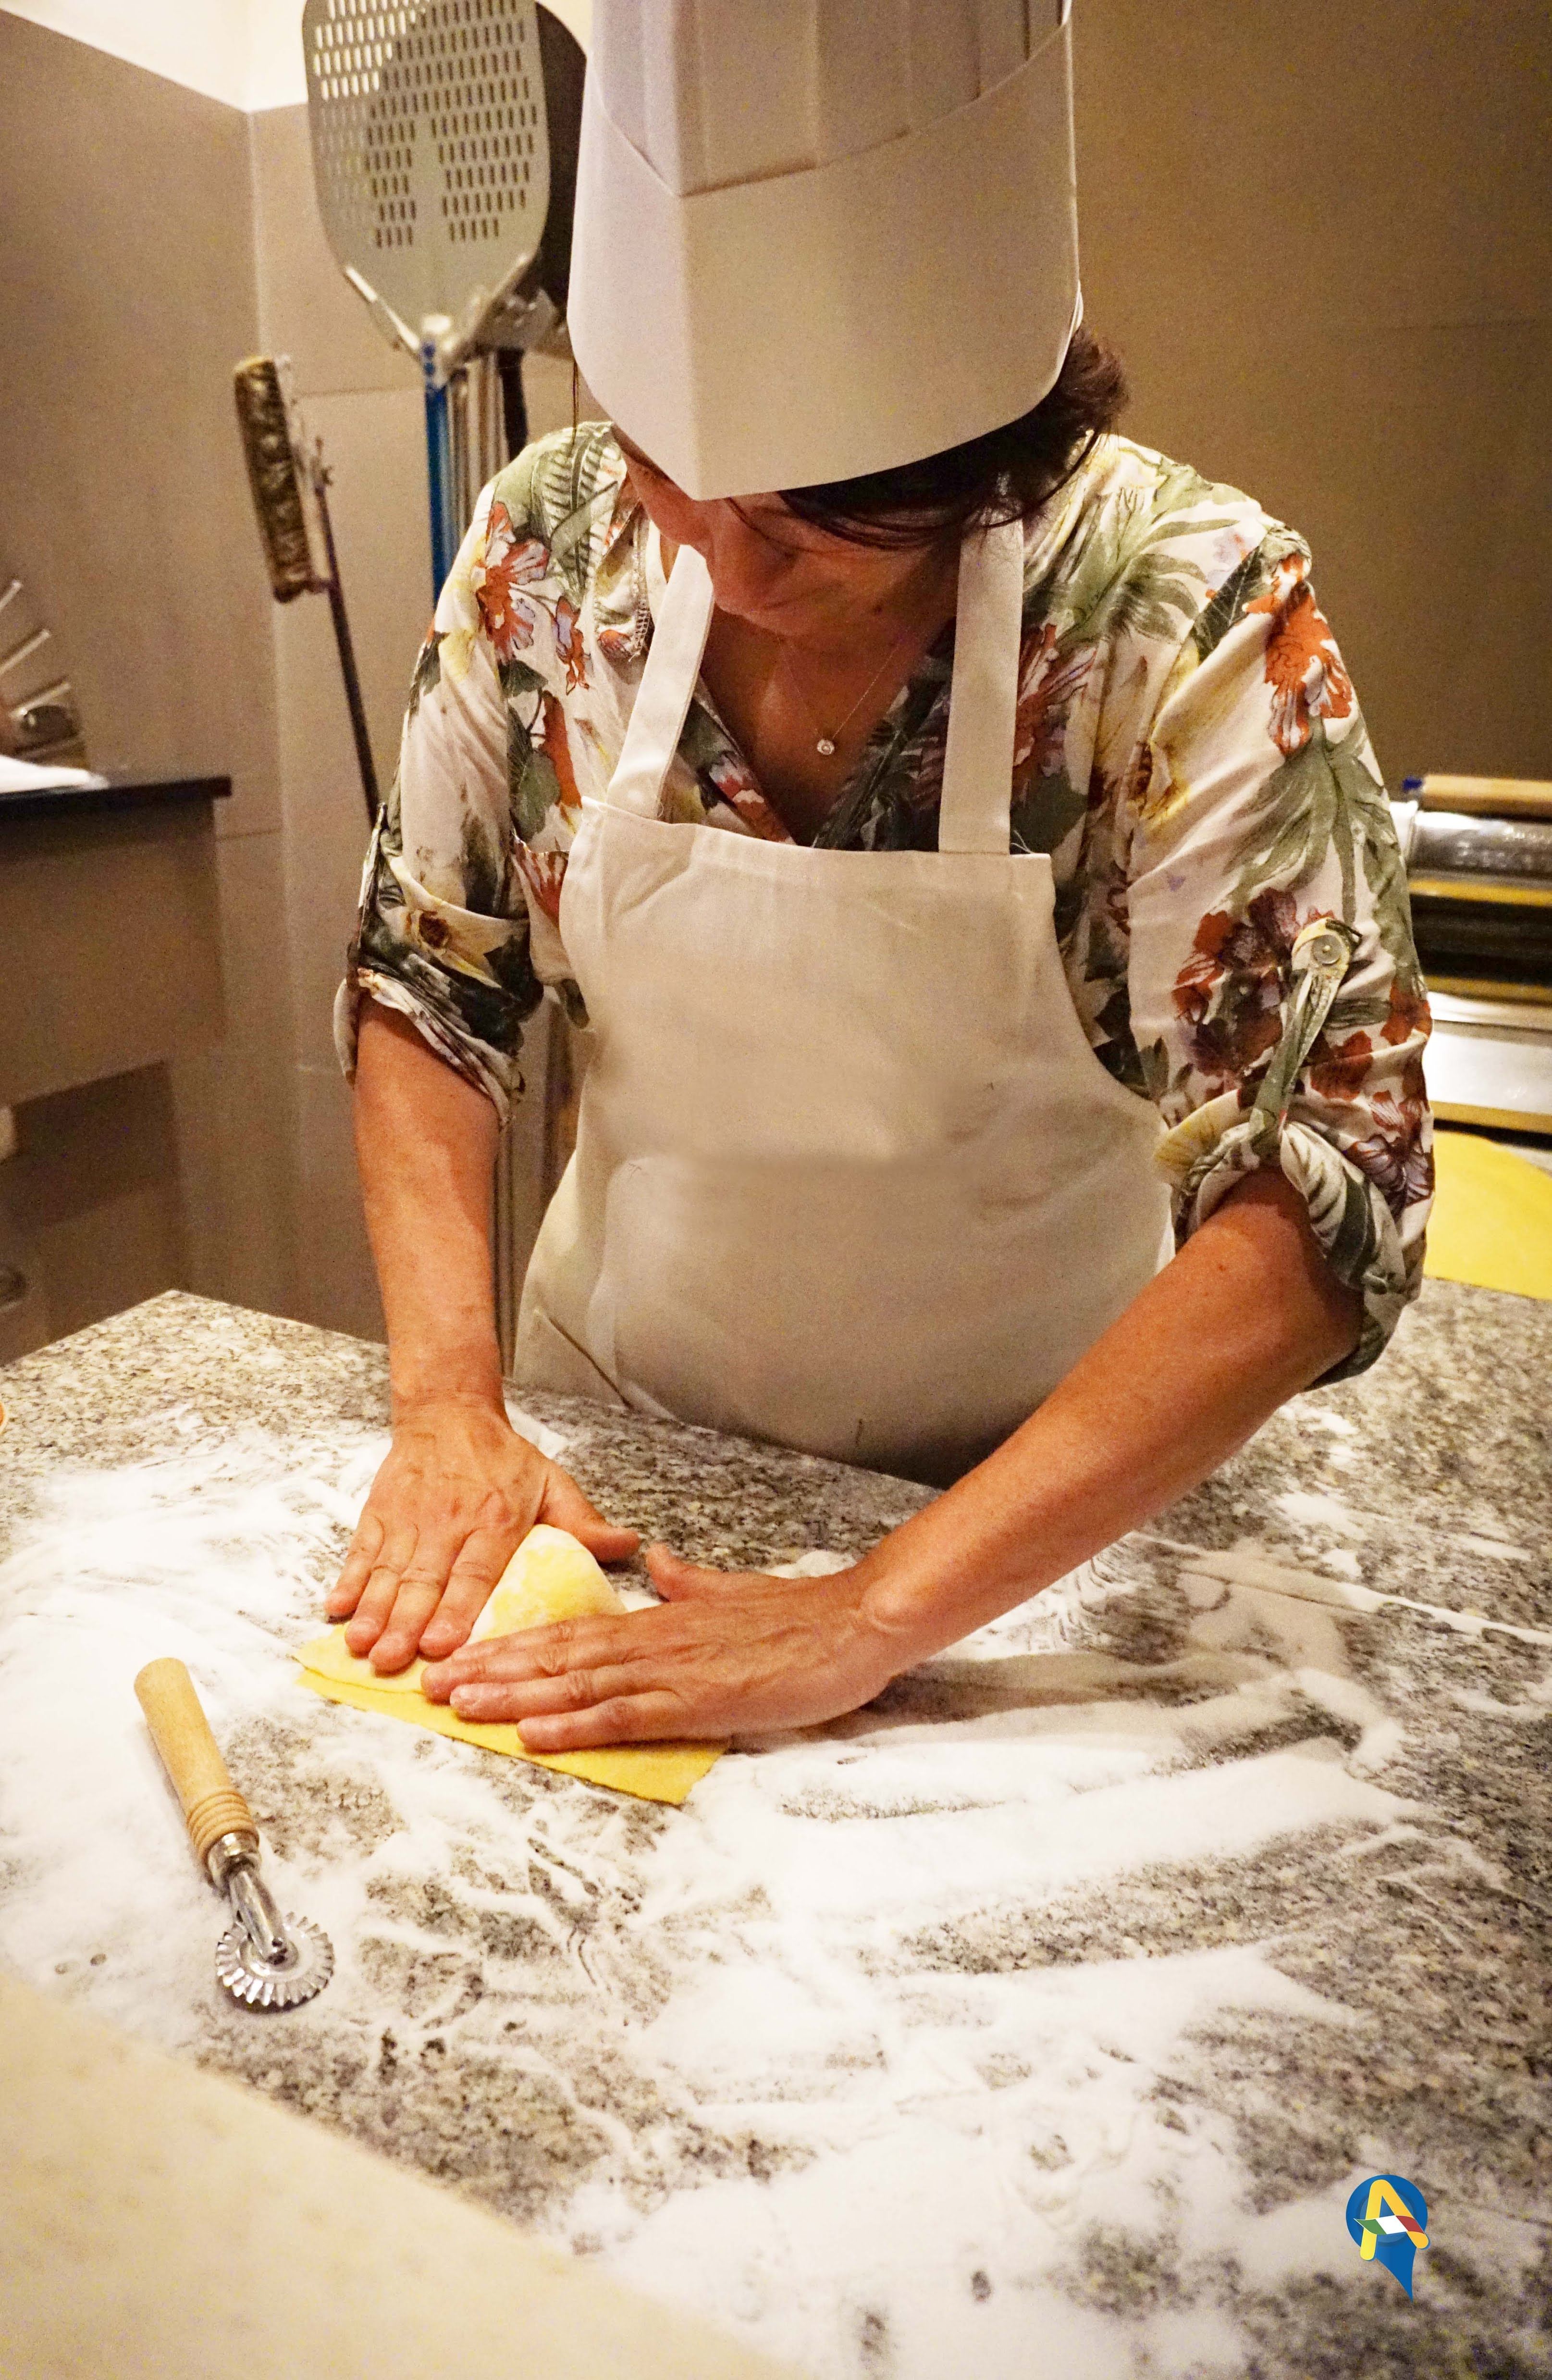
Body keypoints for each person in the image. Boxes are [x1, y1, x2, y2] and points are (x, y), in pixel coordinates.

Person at [328, 0, 1432, 1754]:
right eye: (671, 475)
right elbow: (429, 979)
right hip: (612, 1457)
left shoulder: (1175, 607)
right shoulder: (555, 547)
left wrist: (872, 1611)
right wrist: (448, 1404)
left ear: (989, 453)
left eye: (812, 518)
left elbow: (1328, 1183)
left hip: (1035, 1521)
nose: (719, 555)